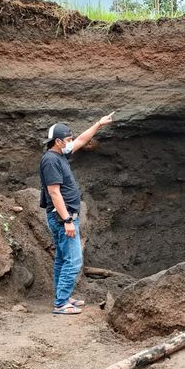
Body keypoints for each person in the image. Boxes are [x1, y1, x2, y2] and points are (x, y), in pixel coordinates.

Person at [40, 113, 114, 315]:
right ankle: (61, 304)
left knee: (62, 260)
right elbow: (54, 192)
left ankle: (62, 297)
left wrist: (98, 124)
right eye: (68, 140)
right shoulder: (50, 161)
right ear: (57, 141)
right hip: (62, 217)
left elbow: (81, 140)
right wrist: (67, 220)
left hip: (65, 216)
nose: (71, 142)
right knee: (73, 261)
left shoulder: (59, 154)